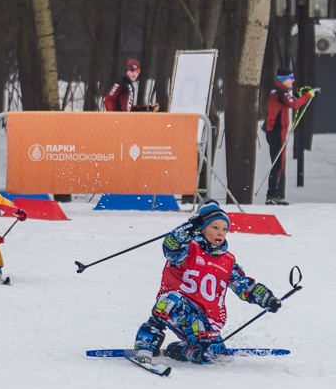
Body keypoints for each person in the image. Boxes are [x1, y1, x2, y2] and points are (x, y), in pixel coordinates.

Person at [133, 200, 282, 366]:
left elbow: (244, 285)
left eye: (224, 229)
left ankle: (181, 350)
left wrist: (267, 298)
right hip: (180, 308)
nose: (220, 233)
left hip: (206, 319)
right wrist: (187, 229)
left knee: (211, 355)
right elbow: (171, 248)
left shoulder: (227, 261)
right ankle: (146, 342)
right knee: (171, 300)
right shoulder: (189, 249)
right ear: (202, 229)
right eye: (215, 227)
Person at [263, 69, 316, 205]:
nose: (293, 80)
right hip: (277, 132)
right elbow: (295, 104)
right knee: (278, 165)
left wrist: (299, 95)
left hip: (274, 132)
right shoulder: (281, 92)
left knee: (278, 164)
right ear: (283, 79)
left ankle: (275, 195)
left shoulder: (278, 92)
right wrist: (309, 95)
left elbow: (290, 101)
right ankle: (271, 196)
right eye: (290, 78)